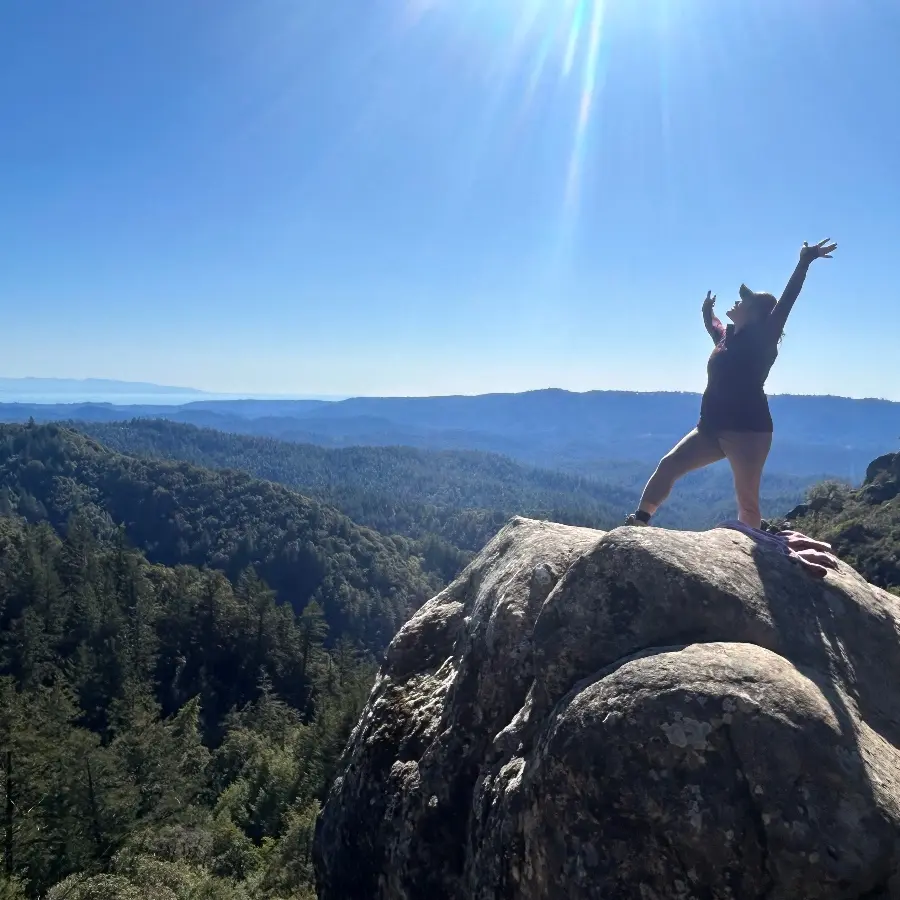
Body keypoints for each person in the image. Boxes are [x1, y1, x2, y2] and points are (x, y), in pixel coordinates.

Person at [625, 238, 838, 530]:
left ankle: (753, 552)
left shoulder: (762, 339)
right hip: (710, 428)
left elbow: (787, 301)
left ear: (756, 314)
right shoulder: (727, 337)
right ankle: (639, 522)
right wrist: (706, 312)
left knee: (747, 502)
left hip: (748, 432)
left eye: (744, 301)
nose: (737, 301)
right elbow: (714, 327)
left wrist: (805, 260)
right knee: (669, 465)